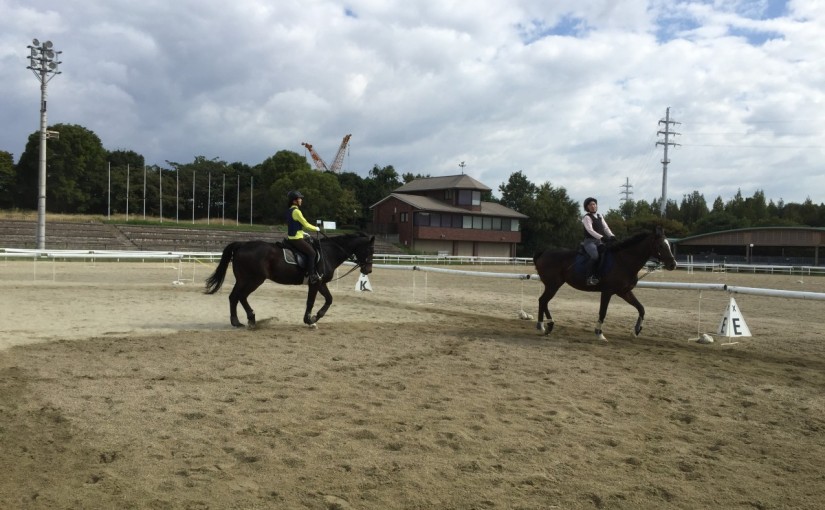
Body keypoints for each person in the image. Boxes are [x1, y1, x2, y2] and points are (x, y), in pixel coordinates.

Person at [285, 190, 322, 284]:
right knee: (312, 253)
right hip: (296, 239)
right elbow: (306, 224)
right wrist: (317, 228)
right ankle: (312, 275)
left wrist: (303, 233)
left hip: (292, 237)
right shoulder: (297, 211)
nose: (301, 200)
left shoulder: (289, 210)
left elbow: (294, 225)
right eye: (299, 198)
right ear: (294, 201)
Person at [581, 197, 616, 285]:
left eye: (594, 204)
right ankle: (589, 277)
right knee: (595, 256)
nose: (593, 206)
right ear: (587, 207)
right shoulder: (586, 217)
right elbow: (590, 230)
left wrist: (612, 236)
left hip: (599, 242)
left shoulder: (600, 216)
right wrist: (601, 237)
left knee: (607, 253)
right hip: (590, 242)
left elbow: (605, 228)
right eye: (590, 205)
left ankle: (601, 274)